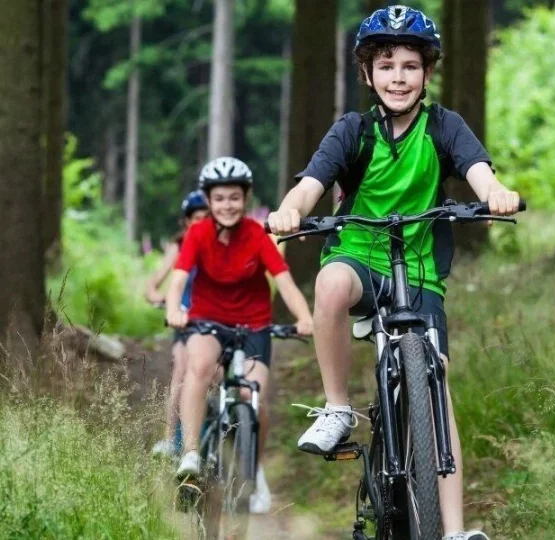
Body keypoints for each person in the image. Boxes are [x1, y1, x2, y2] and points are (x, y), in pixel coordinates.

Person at [266, 6, 521, 539]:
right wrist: (291, 209)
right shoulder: (353, 131)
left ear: (427, 73)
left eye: (410, 65)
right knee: (330, 282)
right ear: (367, 74)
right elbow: (311, 184)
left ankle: (453, 531)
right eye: (386, 66)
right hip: (361, 258)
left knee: (437, 380)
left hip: (420, 272)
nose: (398, 77)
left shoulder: (443, 126)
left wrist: (494, 194)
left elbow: (478, 169)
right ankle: (337, 408)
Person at [166, 157, 314, 514]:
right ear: (208, 201)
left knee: (254, 396)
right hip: (207, 319)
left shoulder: (257, 234)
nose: (227, 205)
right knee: (199, 368)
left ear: (246, 198)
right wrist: (174, 310)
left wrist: (305, 317)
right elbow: (179, 277)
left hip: (254, 325)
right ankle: (189, 455)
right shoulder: (198, 234)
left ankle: (255, 467)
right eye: (219, 199)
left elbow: (285, 283)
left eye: (234, 197)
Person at [147, 190, 209, 457]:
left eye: (207, 217)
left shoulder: (221, 242)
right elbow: (153, 284)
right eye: (197, 218)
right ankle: (171, 439)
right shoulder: (179, 245)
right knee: (182, 372)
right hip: (186, 318)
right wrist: (160, 299)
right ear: (185, 221)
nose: (202, 222)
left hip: (216, 317)